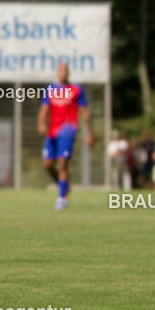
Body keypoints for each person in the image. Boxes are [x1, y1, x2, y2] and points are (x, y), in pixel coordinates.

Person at [38, 61, 93, 209]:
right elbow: (44, 108)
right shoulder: (50, 89)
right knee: (48, 164)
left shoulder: (76, 89)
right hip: (52, 131)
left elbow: (85, 112)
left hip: (68, 129)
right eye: (60, 69)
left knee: (62, 163)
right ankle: (64, 185)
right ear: (57, 72)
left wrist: (89, 133)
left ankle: (62, 198)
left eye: (65, 69)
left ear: (68, 72)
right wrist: (42, 123)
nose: (63, 72)